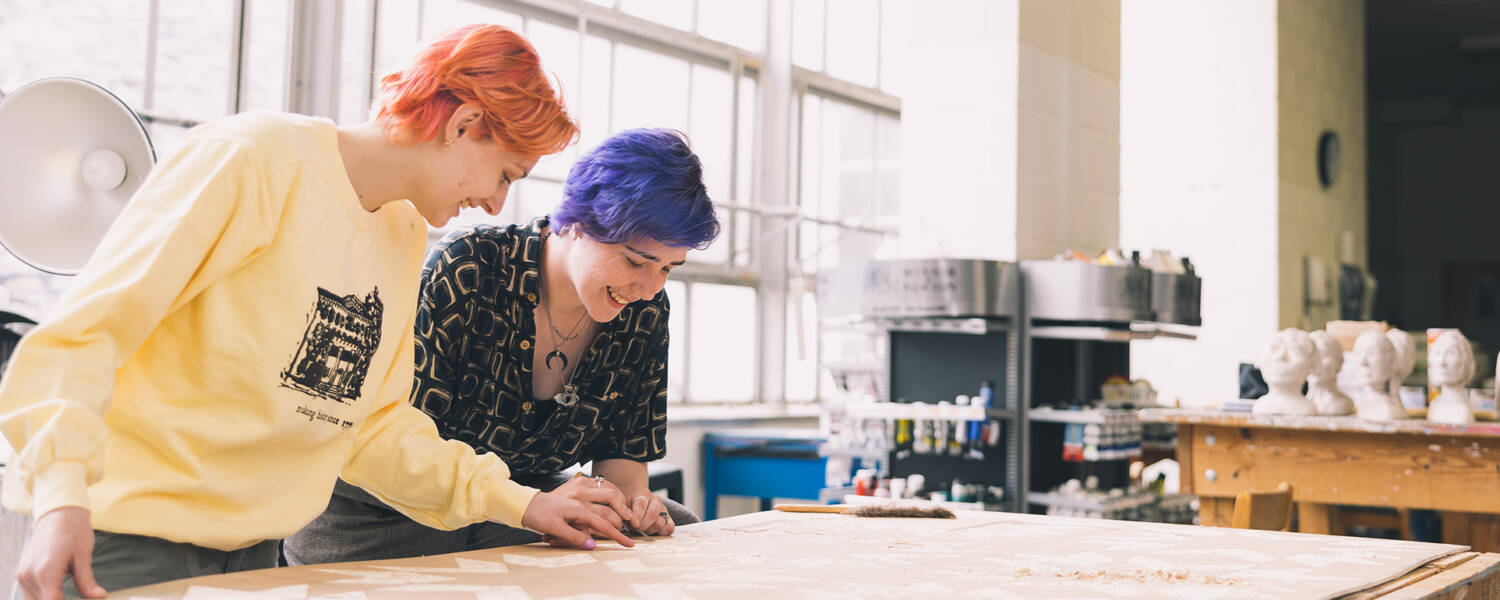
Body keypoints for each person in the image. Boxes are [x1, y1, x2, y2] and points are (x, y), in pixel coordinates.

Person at [0, 24, 634, 600]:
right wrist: (59, 497)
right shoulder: (254, 160)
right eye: (504, 174)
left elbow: (370, 427)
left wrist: (523, 503)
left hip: (254, 560)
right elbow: (85, 335)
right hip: (127, 539)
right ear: (463, 123)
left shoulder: (399, 232)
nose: (498, 205)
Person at [284, 128, 719, 565]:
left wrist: (631, 504)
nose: (649, 287)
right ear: (580, 223)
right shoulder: (470, 267)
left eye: (669, 268)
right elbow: (395, 447)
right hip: (392, 510)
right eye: (636, 261)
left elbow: (621, 462)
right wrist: (529, 505)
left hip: (519, 507)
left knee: (672, 525)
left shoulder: (645, 312)